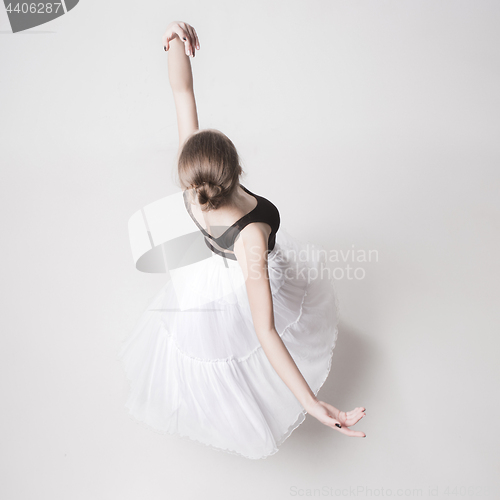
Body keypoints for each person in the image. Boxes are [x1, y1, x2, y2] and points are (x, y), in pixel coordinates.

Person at [118, 20, 366, 460]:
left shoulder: (193, 184)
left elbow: (182, 94)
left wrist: (173, 40)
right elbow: (266, 330)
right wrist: (311, 403)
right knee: (244, 341)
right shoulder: (252, 237)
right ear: (235, 170)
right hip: (234, 271)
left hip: (214, 259)